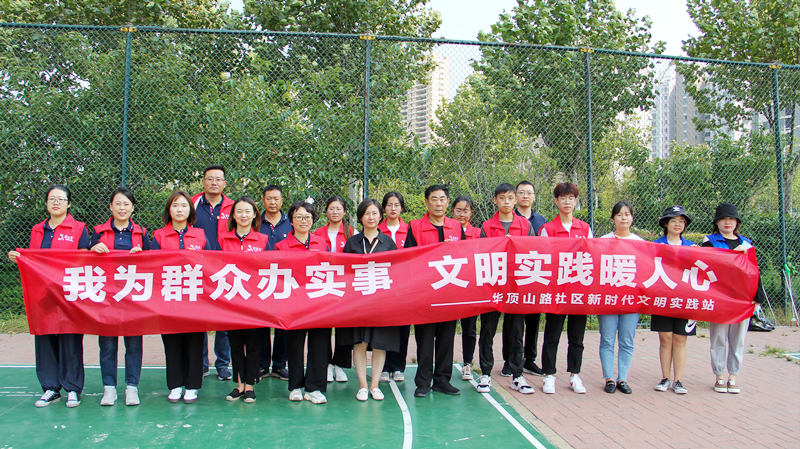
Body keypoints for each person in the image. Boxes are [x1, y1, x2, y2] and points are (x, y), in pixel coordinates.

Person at [8, 185, 90, 408]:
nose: (56, 202)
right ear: (46, 203)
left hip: (69, 293)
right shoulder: (38, 230)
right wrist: (19, 257)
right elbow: (33, 260)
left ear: (68, 204)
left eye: (61, 199)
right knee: (45, 338)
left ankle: (72, 388)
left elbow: (85, 259)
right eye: (52, 199)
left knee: (70, 339)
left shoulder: (79, 228)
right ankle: (51, 388)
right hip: (42, 294)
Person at [90, 187, 150, 406]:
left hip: (133, 298)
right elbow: (85, 261)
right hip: (106, 297)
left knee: (133, 345)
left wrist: (141, 255)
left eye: (126, 204)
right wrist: (93, 249)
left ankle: (132, 387)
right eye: (118, 203)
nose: (122, 208)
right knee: (107, 345)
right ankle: (109, 388)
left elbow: (152, 263)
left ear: (132, 208)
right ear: (111, 207)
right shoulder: (98, 231)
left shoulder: (141, 233)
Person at [405, 185, 467, 397]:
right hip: (425, 293)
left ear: (448, 202)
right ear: (426, 202)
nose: (438, 203)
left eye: (442, 199)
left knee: (446, 338)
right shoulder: (415, 226)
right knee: (425, 339)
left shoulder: (456, 226)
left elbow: (465, 256)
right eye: (434, 199)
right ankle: (423, 382)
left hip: (449, 292)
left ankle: (442, 379)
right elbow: (409, 259)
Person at [475, 184, 535, 395]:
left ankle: (517, 375)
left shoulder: (525, 225)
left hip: (516, 288)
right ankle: (485, 374)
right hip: (493, 287)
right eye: (502, 198)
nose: (507, 202)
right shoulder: (487, 226)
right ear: (495, 200)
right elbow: (481, 255)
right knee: (487, 331)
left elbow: (534, 253)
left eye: (510, 197)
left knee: (516, 332)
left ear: (516, 200)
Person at [151, 191, 210, 404]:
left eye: (184, 205)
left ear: (190, 211)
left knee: (194, 343)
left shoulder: (200, 235)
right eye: (175, 205)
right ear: (169, 210)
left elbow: (211, 264)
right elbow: (152, 266)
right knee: (172, 344)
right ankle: (175, 385)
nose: (179, 209)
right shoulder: (159, 236)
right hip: (169, 297)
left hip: (195, 298)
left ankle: (192, 386)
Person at [340, 199, 400, 401]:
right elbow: (344, 271)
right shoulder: (352, 243)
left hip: (381, 302)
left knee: (379, 344)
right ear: (360, 217)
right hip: (358, 302)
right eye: (367, 213)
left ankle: (375, 385)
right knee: (360, 343)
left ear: (381, 216)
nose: (371, 217)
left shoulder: (388, 243)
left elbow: (396, 270)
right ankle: (363, 385)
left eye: (375, 213)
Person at [702, 203, 764, 394]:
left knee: (738, 339)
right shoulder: (710, 241)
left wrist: (758, 296)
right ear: (717, 222)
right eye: (723, 219)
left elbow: (754, 271)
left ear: (737, 222)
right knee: (718, 337)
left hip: (742, 299)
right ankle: (719, 376)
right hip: (720, 297)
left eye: (731, 219)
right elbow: (706, 265)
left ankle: (733, 376)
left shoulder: (746, 243)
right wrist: (732, 255)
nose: (727, 222)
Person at [275, 201, 332, 404]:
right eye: (298, 217)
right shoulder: (280, 246)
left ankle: (315, 388)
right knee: (294, 345)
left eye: (307, 217)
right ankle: (296, 386)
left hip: (319, 304)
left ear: (313, 220)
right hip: (294, 305)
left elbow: (330, 269)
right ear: (291, 221)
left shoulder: (321, 243)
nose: (303, 221)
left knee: (320, 344)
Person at [538, 182, 593, 394]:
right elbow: (544, 259)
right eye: (563, 198)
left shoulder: (585, 228)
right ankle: (549, 375)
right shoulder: (547, 229)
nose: (567, 202)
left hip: (579, 291)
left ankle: (574, 375)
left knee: (577, 336)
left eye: (571, 198)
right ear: (556, 201)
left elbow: (592, 257)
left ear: (576, 201)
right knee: (552, 334)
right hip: (557, 291)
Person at [219, 196, 270, 404]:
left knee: (254, 345)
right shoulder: (222, 239)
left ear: (254, 215)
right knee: (236, 345)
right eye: (239, 211)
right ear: (233, 215)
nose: (243, 215)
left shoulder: (263, 239)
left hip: (255, 303)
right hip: (231, 302)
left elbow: (270, 269)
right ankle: (239, 385)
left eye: (248, 211)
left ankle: (250, 386)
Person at [192, 165, 234, 381]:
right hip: (197, 268)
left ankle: (223, 364)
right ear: (203, 182)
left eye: (218, 179)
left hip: (225, 268)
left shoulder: (233, 207)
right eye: (210, 179)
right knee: (199, 318)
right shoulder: (191, 203)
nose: (214, 183)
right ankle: (201, 363)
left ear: (224, 183)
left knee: (224, 320)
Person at [598, 202, 644, 395]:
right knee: (607, 339)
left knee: (626, 340)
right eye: (619, 214)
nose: (623, 218)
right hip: (608, 299)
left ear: (632, 218)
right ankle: (609, 378)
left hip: (631, 300)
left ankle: (622, 378)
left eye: (627, 214)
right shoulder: (603, 241)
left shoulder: (641, 243)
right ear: (613, 218)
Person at [651, 206, 696, 395]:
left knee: (680, 339)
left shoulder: (693, 247)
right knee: (665, 338)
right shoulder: (655, 245)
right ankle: (665, 378)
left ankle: (678, 380)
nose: (677, 224)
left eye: (681, 221)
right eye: (673, 221)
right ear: (665, 224)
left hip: (685, 300)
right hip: (662, 299)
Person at [314, 196, 355, 383]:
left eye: (339, 209)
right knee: (323, 328)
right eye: (331, 208)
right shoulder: (317, 233)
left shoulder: (351, 232)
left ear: (344, 211)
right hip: (323, 285)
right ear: (326, 211)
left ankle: (340, 364)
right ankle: (326, 365)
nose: (335, 212)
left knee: (344, 327)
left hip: (344, 286)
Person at [257, 185, 292, 381]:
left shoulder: (291, 222)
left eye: (276, 198)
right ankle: (262, 365)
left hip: (285, 280)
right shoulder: (255, 222)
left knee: (283, 324)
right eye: (269, 198)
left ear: (281, 201)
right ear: (263, 200)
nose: (272, 202)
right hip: (261, 280)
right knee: (261, 324)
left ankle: (279, 365)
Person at [514, 181, 547, 376]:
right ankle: (512, 360)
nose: (525, 196)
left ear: (534, 197)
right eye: (521, 192)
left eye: (529, 193)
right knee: (514, 322)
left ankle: (530, 360)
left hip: (536, 276)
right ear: (515, 196)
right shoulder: (510, 217)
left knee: (534, 320)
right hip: (514, 277)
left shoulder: (542, 221)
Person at [377, 191, 410, 383]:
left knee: (402, 327)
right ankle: (383, 367)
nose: (393, 208)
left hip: (404, 286)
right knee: (383, 326)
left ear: (402, 208)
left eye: (396, 205)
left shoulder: (410, 230)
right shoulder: (376, 229)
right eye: (389, 205)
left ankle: (398, 366)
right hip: (382, 284)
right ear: (383, 208)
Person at [451, 195, 480, 381]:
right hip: (449, 286)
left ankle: (467, 363)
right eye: (458, 210)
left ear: (471, 213)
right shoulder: (446, 230)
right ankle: (443, 363)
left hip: (470, 288)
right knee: (447, 328)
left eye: (466, 210)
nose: (462, 214)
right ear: (452, 211)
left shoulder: (478, 233)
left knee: (469, 328)